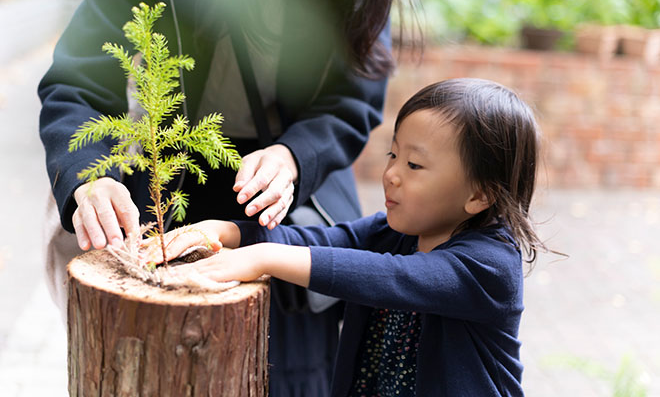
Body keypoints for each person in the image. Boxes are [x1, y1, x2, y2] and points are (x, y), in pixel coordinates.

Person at [38, 0, 411, 395]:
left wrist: (294, 157)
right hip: (171, 188)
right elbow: (78, 80)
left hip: (288, 199)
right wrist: (90, 178)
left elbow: (352, 103)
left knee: (286, 371)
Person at [154, 78, 545, 396]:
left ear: (479, 195)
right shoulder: (392, 233)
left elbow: (394, 277)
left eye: (414, 164)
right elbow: (320, 242)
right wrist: (228, 231)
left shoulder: (490, 265)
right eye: (393, 156)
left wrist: (265, 258)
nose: (391, 173)